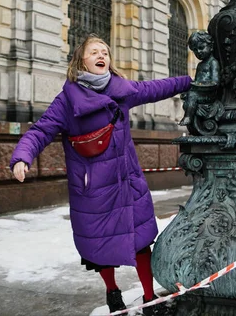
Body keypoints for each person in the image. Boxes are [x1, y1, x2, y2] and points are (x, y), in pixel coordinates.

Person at [10, 34, 191, 314]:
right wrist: (22, 156)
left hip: (128, 183)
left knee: (141, 242)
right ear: (81, 60)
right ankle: (112, 291)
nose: (101, 55)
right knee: (102, 247)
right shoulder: (67, 101)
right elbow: (40, 130)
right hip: (94, 189)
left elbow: (156, 88)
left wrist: (189, 81)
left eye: (105, 51)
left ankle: (148, 297)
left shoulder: (121, 90)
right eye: (94, 51)